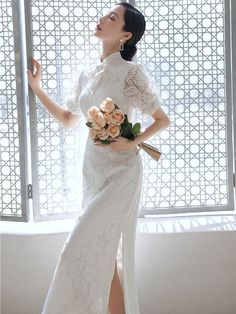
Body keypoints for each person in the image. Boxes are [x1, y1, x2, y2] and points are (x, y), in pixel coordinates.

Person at [27, 2, 170, 314]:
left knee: (75, 250)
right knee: (105, 258)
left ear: (125, 35)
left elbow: (162, 120)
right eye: (107, 13)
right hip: (93, 172)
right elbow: (68, 119)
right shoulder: (86, 74)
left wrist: (131, 139)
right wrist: (37, 89)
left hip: (122, 174)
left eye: (112, 17)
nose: (103, 18)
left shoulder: (132, 74)